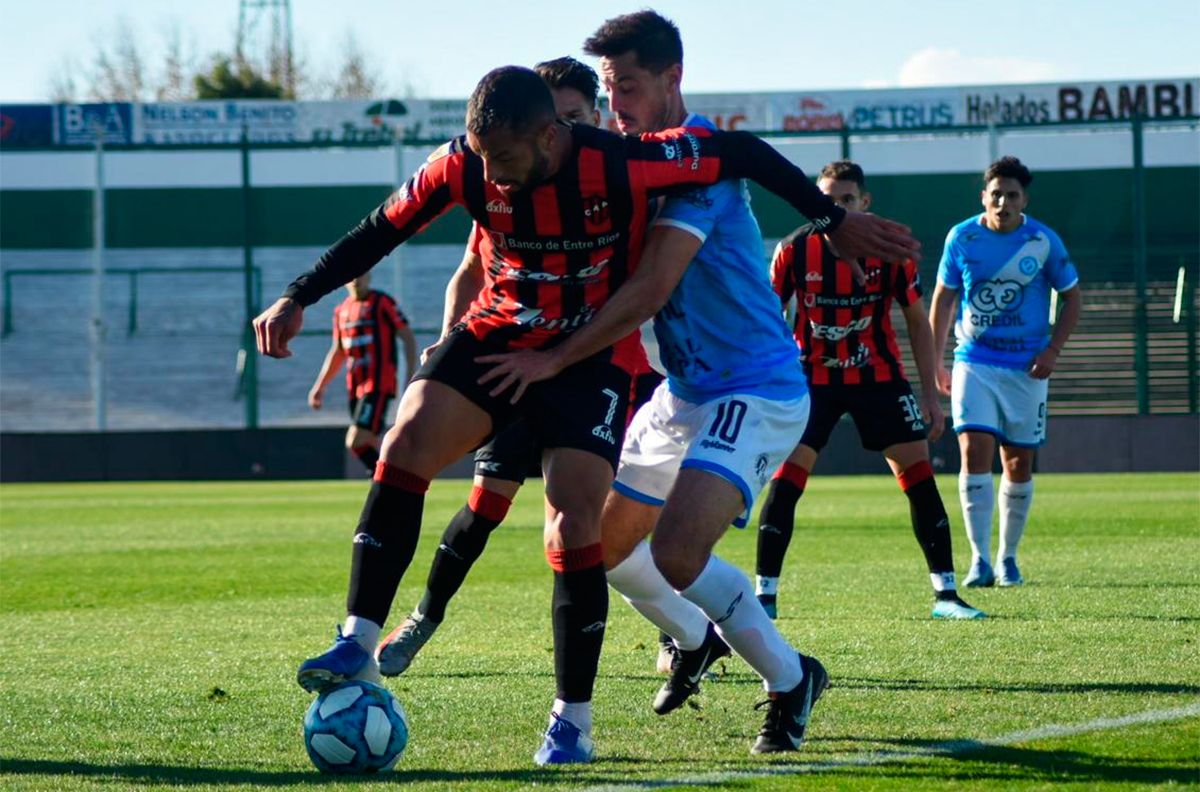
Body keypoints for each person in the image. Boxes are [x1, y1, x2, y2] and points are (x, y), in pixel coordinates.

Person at [253, 64, 916, 767]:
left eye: (506, 158)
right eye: (483, 158)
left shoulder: (621, 163)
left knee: (576, 524)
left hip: (585, 357)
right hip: (503, 334)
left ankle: (572, 723)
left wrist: (833, 221)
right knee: (407, 439)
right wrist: (300, 296)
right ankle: (358, 639)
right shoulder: (463, 166)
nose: (495, 176)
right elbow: (378, 231)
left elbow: (742, 153)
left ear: (550, 135)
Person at [477, 11, 917, 758]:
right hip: (684, 392)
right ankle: (690, 637)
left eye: (630, 88)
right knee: (596, 546)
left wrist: (551, 362)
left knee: (678, 549)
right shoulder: (628, 160)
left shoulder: (698, 171)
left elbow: (650, 289)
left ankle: (789, 679)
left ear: (673, 78)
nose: (619, 109)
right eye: (609, 93)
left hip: (759, 387)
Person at [376, 56, 664, 676]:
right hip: (514, 362)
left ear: (592, 120)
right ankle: (424, 615)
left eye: (574, 116)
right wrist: (450, 339)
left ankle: (676, 630)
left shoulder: (623, 178)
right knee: (486, 502)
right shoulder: (506, 185)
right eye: (555, 115)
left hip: (610, 370)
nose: (563, 128)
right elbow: (473, 269)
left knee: (601, 524)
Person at [753, 160, 984, 622]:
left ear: (865, 202)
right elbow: (763, 316)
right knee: (785, 485)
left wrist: (928, 392)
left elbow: (917, 320)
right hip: (810, 381)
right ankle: (765, 599)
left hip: (878, 378)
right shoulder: (794, 250)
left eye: (846, 199)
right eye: (828, 199)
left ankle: (947, 595)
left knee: (919, 480)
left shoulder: (890, 249)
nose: (837, 208)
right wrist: (768, 383)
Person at [929, 156, 1081, 588]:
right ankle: (978, 560)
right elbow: (942, 300)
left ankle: (1008, 559)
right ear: (984, 197)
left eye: (1011, 195)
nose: (1003, 201)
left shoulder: (1042, 241)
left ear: (1023, 199)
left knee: (1018, 461)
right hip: (974, 361)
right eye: (995, 193)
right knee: (973, 451)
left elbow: (1074, 300)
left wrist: (1052, 349)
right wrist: (937, 361)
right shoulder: (962, 237)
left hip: (1027, 370)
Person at [307, 273, 417, 473]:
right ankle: (388, 480)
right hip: (355, 387)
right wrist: (319, 386)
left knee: (355, 441)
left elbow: (407, 337)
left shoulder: (382, 302)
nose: (357, 280)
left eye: (362, 275)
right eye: (352, 276)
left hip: (378, 385)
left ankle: (385, 479)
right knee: (370, 443)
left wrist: (411, 375)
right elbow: (338, 351)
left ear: (370, 277)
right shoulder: (341, 310)